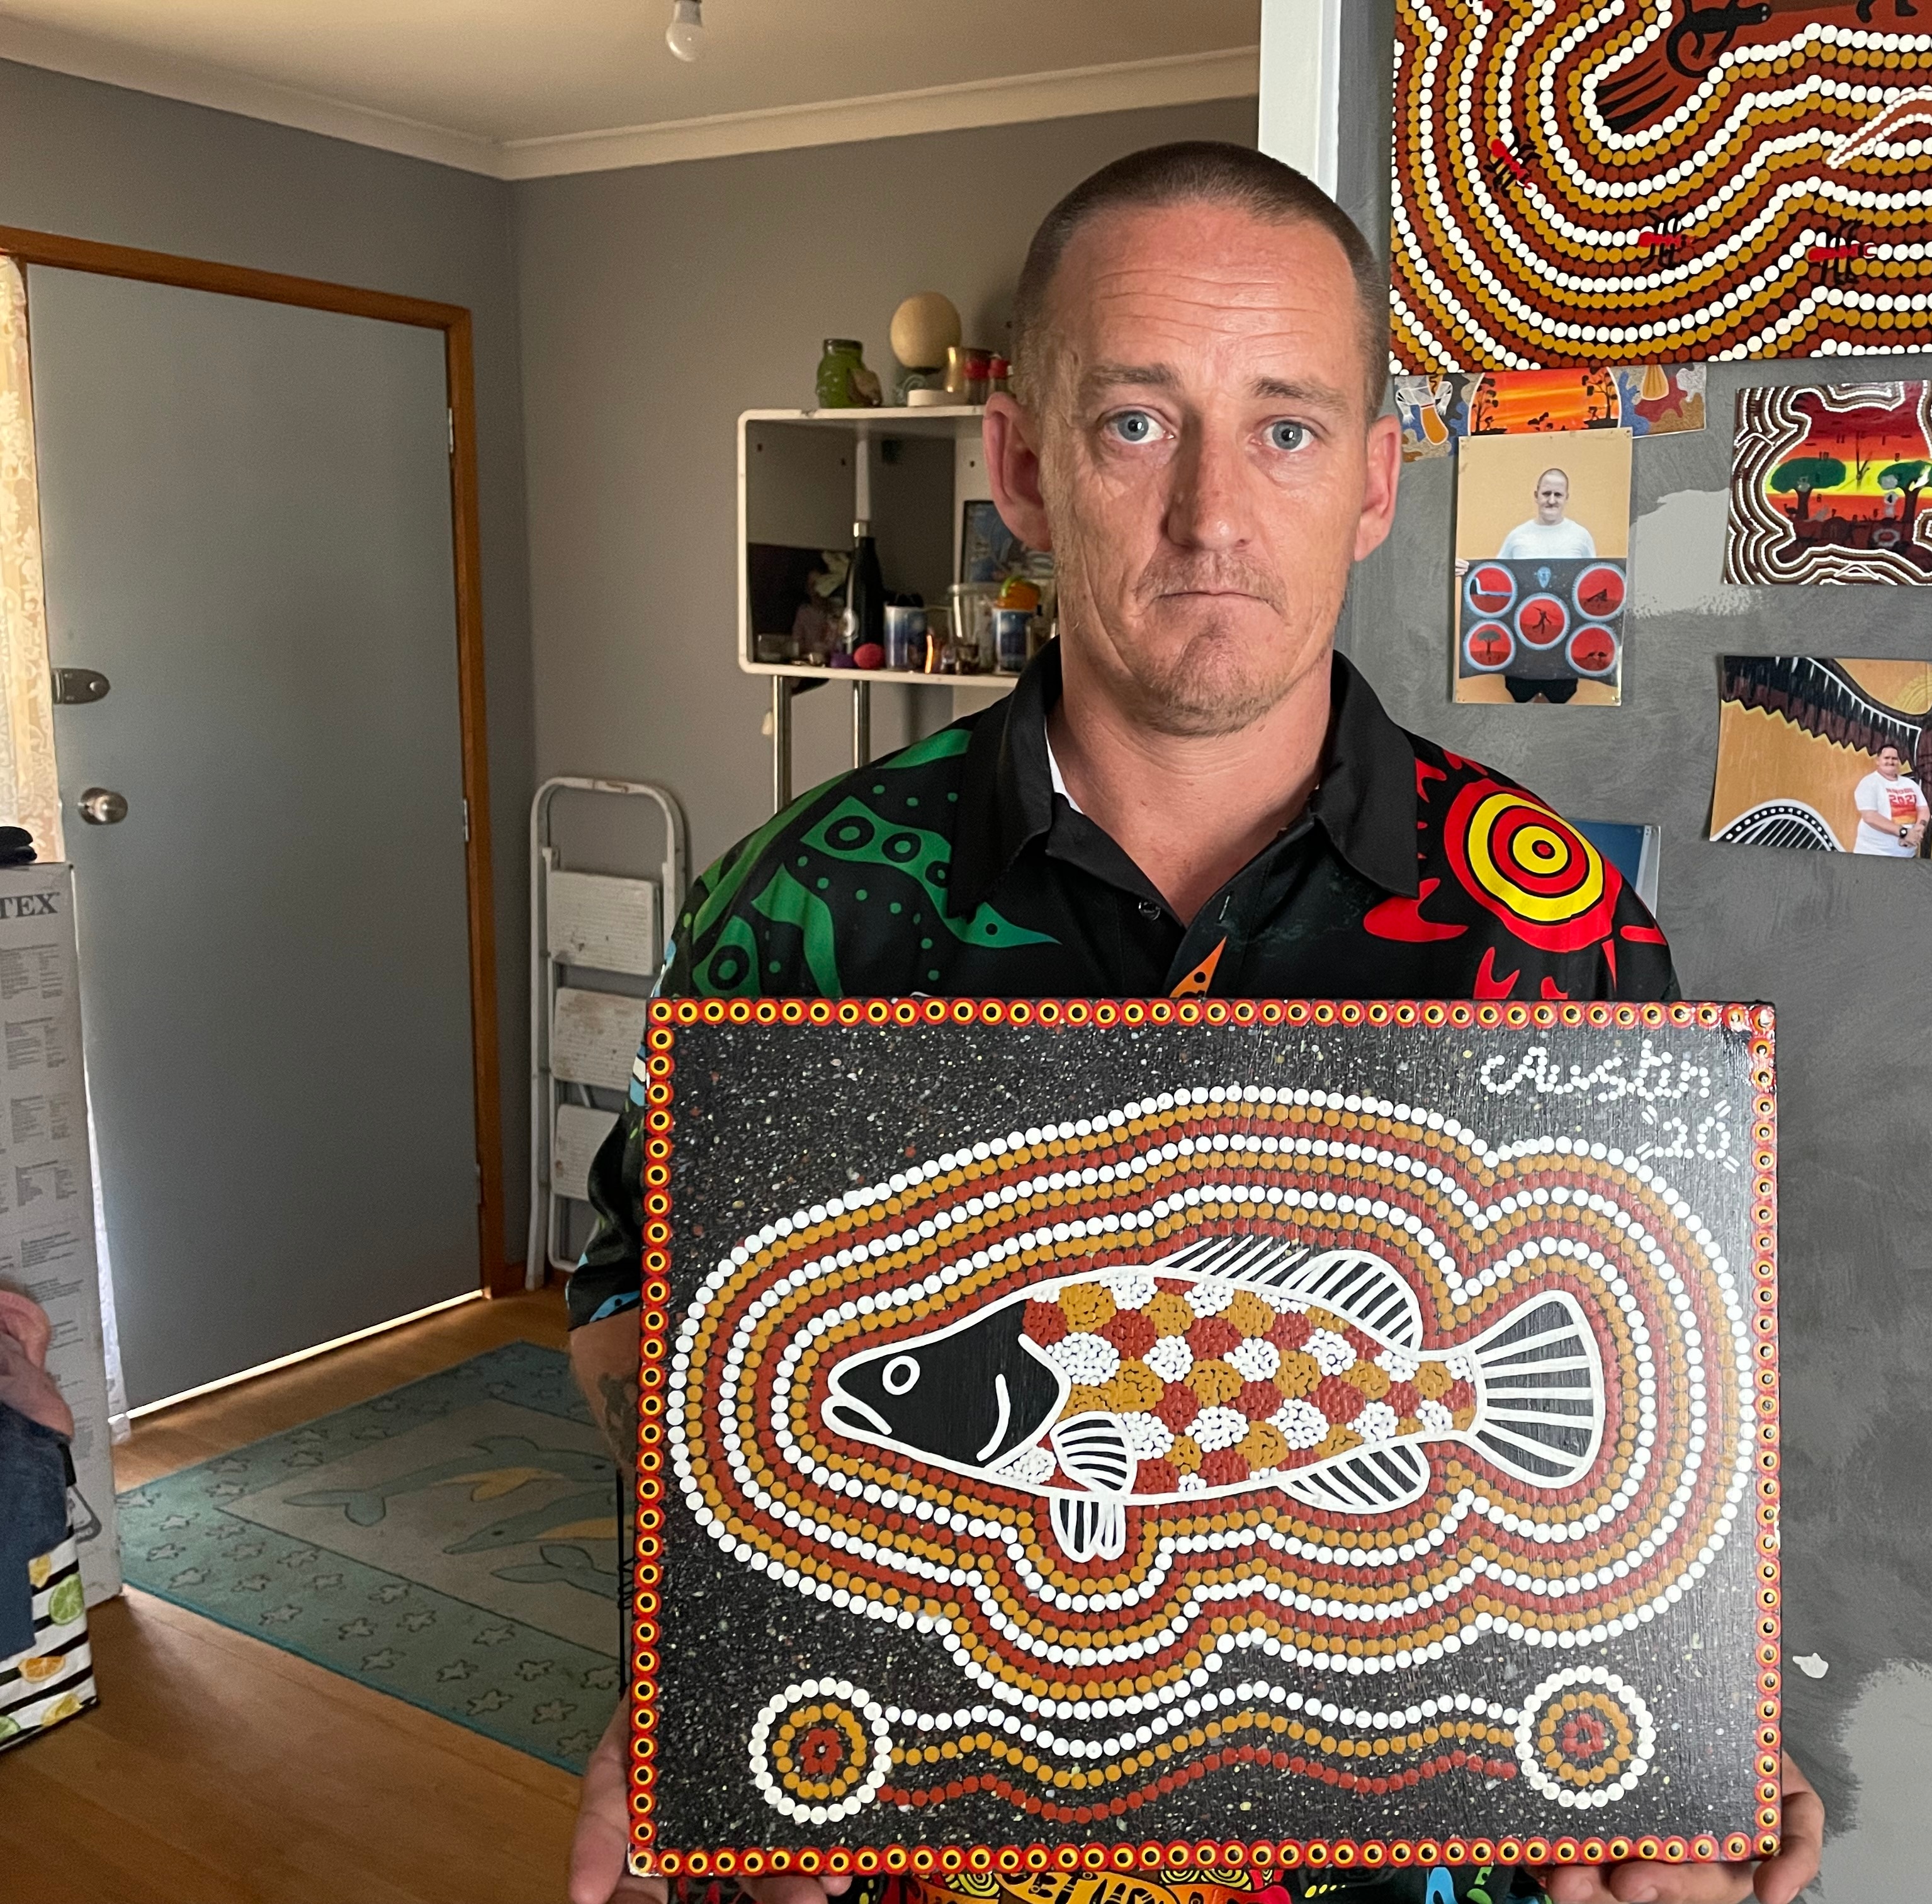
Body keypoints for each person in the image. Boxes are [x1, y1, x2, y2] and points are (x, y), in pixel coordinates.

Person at [563, 144, 1822, 1904]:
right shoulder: (801, 907)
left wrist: (1687, 1725)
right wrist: (713, 1660)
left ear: (1375, 480)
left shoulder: (1559, 929)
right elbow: (633, 1300)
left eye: (1286, 428)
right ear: (1022, 464)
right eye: (1137, 422)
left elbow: (1639, 1395)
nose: (1212, 513)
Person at [1496, 467, 1599, 560]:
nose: (1552, 501)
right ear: (1536, 496)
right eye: (1546, 494)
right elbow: (1500, 572)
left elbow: (1592, 573)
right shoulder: (1516, 536)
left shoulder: (1582, 536)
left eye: (1558, 495)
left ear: (1566, 498)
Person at [1851, 742, 1929, 856]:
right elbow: (1870, 817)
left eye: (1894, 759)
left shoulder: (1910, 784)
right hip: (1873, 855)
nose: (1891, 762)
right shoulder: (1869, 783)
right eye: (1886, 758)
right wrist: (1904, 833)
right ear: (1878, 761)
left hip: (1907, 856)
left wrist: (1919, 829)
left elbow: (1923, 809)